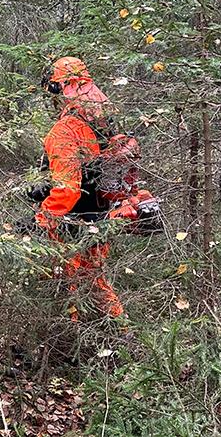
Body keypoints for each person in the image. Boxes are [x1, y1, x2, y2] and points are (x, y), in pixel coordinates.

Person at [31, 57, 158, 321]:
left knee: (69, 282)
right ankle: (119, 331)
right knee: (95, 281)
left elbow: (68, 190)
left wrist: (40, 221)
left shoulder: (65, 131)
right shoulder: (102, 120)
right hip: (101, 217)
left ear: (59, 90)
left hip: (72, 223)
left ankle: (72, 338)